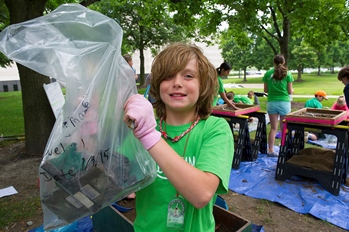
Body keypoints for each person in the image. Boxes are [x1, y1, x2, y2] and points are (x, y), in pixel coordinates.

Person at [123, 43, 234, 231]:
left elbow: (202, 194)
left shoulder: (215, 129)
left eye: (188, 76)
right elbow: (111, 172)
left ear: (203, 84)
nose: (177, 82)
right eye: (168, 76)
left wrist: (149, 135)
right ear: (157, 84)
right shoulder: (140, 125)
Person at [262, 54, 294, 157]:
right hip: (284, 102)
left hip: (272, 102)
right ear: (283, 62)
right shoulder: (288, 74)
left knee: (273, 128)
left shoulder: (268, 73)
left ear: (274, 62)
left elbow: (265, 90)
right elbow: (290, 91)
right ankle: (283, 148)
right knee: (284, 127)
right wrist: (292, 90)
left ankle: (270, 150)